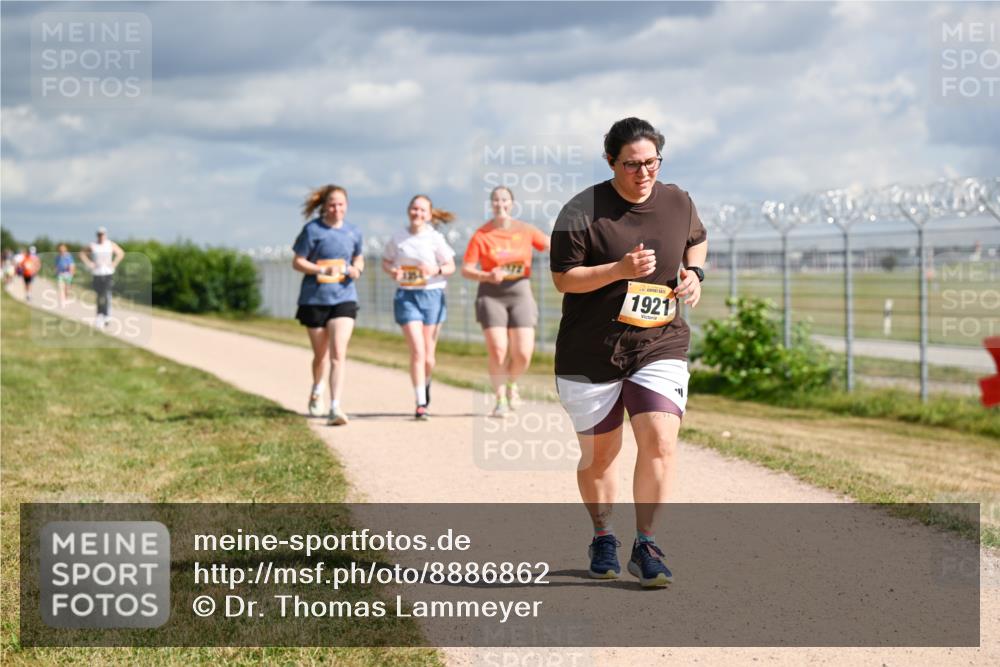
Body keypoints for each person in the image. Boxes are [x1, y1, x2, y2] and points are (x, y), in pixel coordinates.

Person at [550, 117, 708, 588]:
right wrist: (619, 269)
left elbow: (696, 242)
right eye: (632, 164)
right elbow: (564, 278)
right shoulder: (582, 211)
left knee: (660, 440)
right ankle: (603, 534)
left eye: (652, 162)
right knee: (601, 458)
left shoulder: (678, 200)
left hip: (659, 342)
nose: (644, 173)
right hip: (590, 352)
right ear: (610, 161)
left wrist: (694, 276)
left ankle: (647, 544)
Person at [462, 186, 550, 416]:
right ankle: (500, 399)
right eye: (496, 200)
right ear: (491, 204)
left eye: (505, 200)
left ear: (512, 204)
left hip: (520, 291)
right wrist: (487, 275)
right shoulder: (482, 235)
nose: (500, 204)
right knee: (498, 349)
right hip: (491, 294)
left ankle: (511, 384)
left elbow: (550, 245)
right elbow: (467, 269)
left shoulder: (526, 230)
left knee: (523, 353)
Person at [291, 185, 364, 426]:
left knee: (338, 353)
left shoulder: (354, 232)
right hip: (315, 298)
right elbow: (298, 262)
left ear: (347, 205)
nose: (337, 209)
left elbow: (358, 257)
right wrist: (321, 269)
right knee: (320, 356)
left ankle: (335, 407)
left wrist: (357, 269)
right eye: (332, 204)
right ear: (324, 206)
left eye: (341, 204)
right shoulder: (312, 230)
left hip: (344, 297)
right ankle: (316, 388)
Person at [381, 194, 456, 421]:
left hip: (432, 296)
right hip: (407, 296)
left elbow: (451, 266)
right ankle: (420, 402)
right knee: (418, 350)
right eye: (414, 209)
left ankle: (426, 383)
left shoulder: (435, 238)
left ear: (430, 214)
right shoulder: (398, 238)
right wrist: (393, 271)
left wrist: (435, 270)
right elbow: (386, 261)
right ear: (408, 210)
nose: (418, 213)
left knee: (428, 357)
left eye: (422, 210)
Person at [79, 227, 125, 327]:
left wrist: (114, 263)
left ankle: (106, 315)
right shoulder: (93, 245)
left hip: (108, 273)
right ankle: (100, 315)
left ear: (105, 234)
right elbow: (82, 254)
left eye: (102, 234)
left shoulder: (110, 244)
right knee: (99, 295)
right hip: (96, 273)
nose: (101, 236)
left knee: (106, 294)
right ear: (97, 235)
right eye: (99, 234)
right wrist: (89, 263)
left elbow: (121, 253)